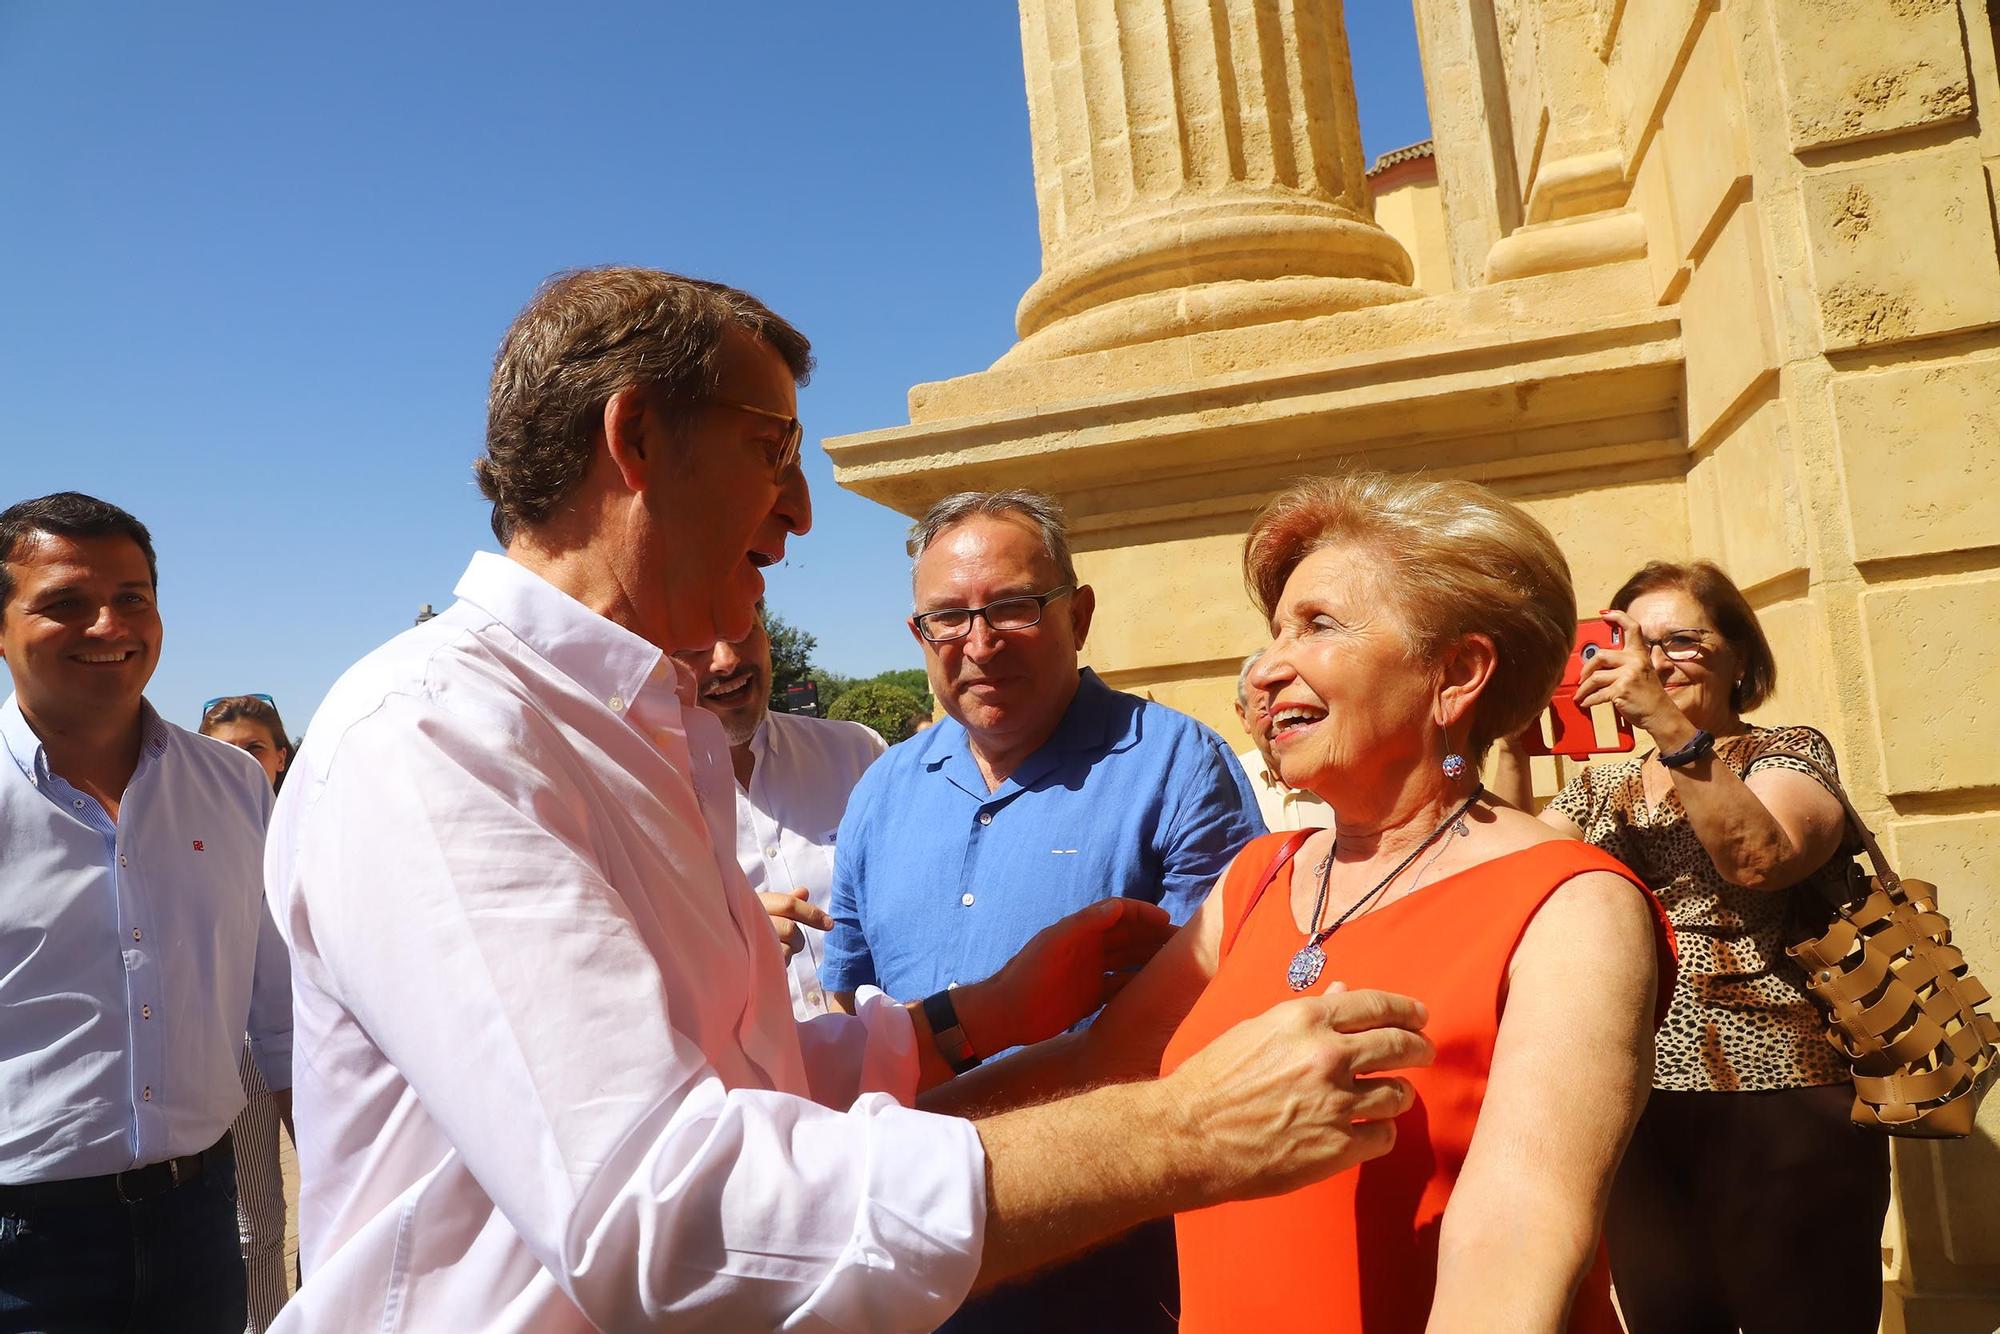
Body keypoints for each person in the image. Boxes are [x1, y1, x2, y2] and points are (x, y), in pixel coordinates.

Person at [263, 266, 1435, 1332]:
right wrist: (1188, 1130)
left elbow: (745, 1078)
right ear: (634, 438)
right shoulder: (436, 733)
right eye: (771, 447)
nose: (801, 511)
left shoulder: (634, 726)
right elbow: (668, 1213)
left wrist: (973, 1015)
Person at [933, 472, 1676, 1332]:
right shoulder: (1260, 876)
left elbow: (1518, 1237)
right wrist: (850, 1149)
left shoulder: (1571, 904)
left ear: (1459, 672)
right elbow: (1096, 1069)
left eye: (1317, 626)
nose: (1265, 669)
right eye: (1274, 632)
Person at [822, 488, 1267, 1333]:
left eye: (1013, 608)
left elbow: (1216, 1019)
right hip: (911, 1252)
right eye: (946, 619)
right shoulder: (883, 787)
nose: (979, 645)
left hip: (1106, 1258)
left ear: (1080, 615)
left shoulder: (1177, 766)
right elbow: (847, 997)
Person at [1491, 559, 1890, 1334]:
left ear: (1739, 655)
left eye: (1678, 640)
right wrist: (1509, 747)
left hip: (1784, 1104)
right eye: (1631, 642)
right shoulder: (1603, 787)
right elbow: (1509, 888)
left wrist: (1669, 726)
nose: (1651, 661)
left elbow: (1760, 858)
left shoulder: (1784, 753)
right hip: (1641, 1106)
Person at [0, 492, 293, 1333]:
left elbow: (280, 1009)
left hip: (197, 1224)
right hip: (23, 1245)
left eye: (132, 597)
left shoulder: (235, 787)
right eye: (63, 603)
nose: (108, 624)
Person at [677, 605, 885, 1017]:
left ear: (766, 637)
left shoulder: (859, 755)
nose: (726, 660)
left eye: (740, 628)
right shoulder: (641, 800)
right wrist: (718, 955)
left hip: (892, 1064)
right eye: (695, 643)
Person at [201, 694, 300, 1332]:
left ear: (280, 756)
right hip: (230, 1043)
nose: (238, 764)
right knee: (252, 1217)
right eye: (222, 751)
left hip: (317, 1036)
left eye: (253, 750)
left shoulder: (318, 825)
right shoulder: (186, 834)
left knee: (341, 1191)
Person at [1231, 649, 1333, 832]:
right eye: (1264, 707)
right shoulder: (1228, 785)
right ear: (1244, 716)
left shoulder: (1353, 779)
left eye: (1292, 706)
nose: (1280, 718)